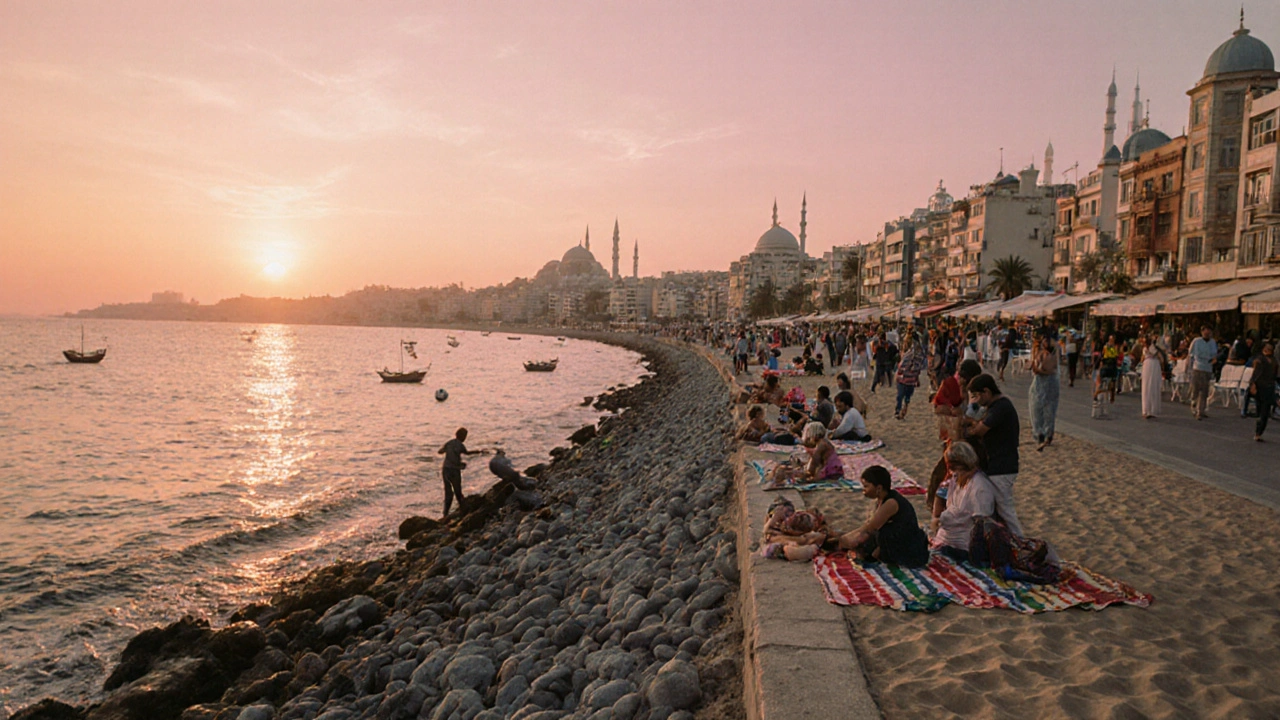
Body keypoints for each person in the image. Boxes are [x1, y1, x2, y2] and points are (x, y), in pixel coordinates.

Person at [963, 374, 1023, 536]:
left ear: (986, 392)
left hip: (1002, 465)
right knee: (997, 508)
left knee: (1005, 509)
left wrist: (972, 427)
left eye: (977, 396)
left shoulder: (1000, 407)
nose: (976, 400)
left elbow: (980, 430)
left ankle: (1020, 541)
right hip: (998, 463)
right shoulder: (996, 406)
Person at [836, 466, 929, 567]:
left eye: (866, 486)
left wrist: (848, 538)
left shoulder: (891, 503)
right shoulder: (882, 500)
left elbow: (870, 528)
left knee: (865, 539)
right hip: (896, 539)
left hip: (908, 548)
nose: (864, 490)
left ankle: (874, 555)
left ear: (879, 488)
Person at [929, 441, 998, 562]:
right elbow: (941, 498)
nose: (949, 469)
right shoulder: (955, 479)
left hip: (963, 546)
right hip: (947, 537)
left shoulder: (979, 487)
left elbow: (982, 522)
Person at [437, 427, 487, 517]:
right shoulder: (460, 445)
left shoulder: (449, 443)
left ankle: (445, 514)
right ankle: (463, 511)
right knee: (457, 491)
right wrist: (478, 452)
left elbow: (440, 451)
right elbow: (466, 453)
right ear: (462, 436)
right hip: (454, 470)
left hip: (445, 469)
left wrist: (446, 451)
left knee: (448, 492)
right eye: (465, 436)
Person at [1028, 330, 1060, 451]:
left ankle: (1041, 433)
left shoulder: (1048, 355)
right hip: (1049, 385)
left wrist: (1034, 363)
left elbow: (1041, 370)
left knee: (1038, 408)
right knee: (1048, 409)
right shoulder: (1050, 352)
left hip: (1043, 384)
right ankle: (1047, 433)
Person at [894, 334, 927, 420]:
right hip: (907, 378)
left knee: (903, 396)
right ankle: (899, 410)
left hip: (907, 378)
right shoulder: (911, 352)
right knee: (902, 396)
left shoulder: (912, 353)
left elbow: (903, 365)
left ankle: (903, 409)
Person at [1188, 326, 1218, 420]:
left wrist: (1213, 360)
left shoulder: (1213, 342)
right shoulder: (1196, 341)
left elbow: (1214, 354)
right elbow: (1191, 353)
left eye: (1209, 332)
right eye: (1205, 332)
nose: (1207, 334)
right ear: (1202, 332)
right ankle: (1194, 405)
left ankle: (1200, 411)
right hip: (1198, 367)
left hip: (1208, 368)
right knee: (1196, 389)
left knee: (1204, 391)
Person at [1250, 342, 1277, 442]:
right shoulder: (1260, 360)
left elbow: (1275, 375)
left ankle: (1259, 432)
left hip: (1269, 387)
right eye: (1267, 348)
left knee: (1265, 411)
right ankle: (1258, 431)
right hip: (1260, 387)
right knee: (1261, 409)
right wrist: (1252, 384)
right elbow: (1255, 374)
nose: (1269, 350)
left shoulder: (1274, 360)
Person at [1141, 334, 1164, 419]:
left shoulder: (1149, 348)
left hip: (1148, 365)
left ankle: (1147, 409)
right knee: (1151, 386)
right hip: (1152, 365)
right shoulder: (1152, 348)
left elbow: (1142, 358)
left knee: (1148, 386)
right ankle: (1150, 409)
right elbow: (1161, 358)